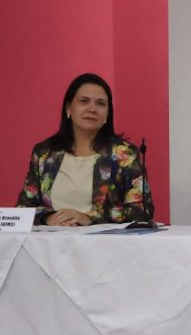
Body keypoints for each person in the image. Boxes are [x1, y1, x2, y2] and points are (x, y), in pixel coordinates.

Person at [17, 73, 153, 225]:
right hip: (51, 238)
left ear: (108, 112)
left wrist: (89, 218)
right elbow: (23, 209)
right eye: (84, 101)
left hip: (102, 239)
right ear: (69, 108)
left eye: (100, 104)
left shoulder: (124, 154)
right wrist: (48, 218)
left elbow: (142, 210)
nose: (92, 109)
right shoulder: (44, 153)